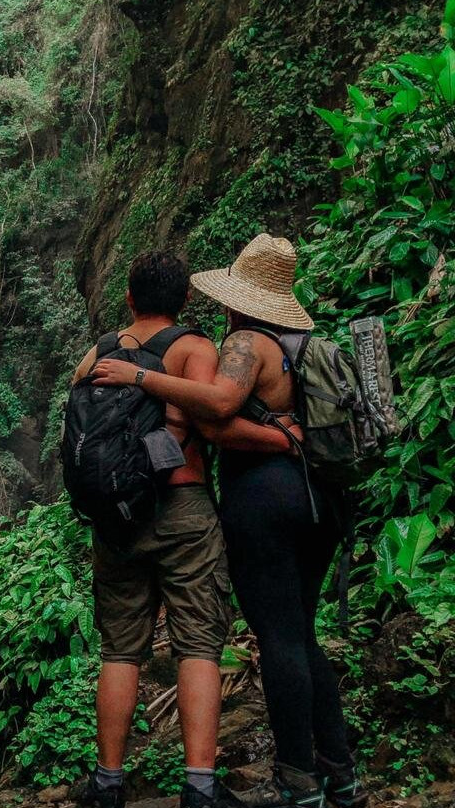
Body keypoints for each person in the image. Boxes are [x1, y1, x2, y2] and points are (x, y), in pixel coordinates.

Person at [92, 235, 367, 808]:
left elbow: (215, 413)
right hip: (318, 501)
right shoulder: (302, 343)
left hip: (263, 504)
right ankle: (339, 773)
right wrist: (286, 439)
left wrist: (139, 378)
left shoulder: (244, 341)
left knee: (279, 640)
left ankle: (297, 780)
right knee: (299, 634)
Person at [74, 252, 296, 808]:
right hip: (181, 507)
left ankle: (107, 782)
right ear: (187, 300)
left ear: (128, 297)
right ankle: (199, 784)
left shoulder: (95, 354)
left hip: (115, 519)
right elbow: (214, 421)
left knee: (120, 650)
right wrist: (286, 436)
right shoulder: (193, 348)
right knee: (199, 643)